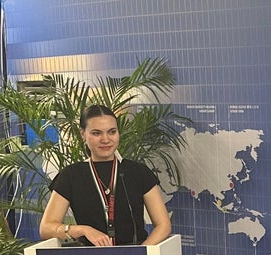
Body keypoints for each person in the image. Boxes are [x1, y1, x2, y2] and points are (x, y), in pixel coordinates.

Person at [39, 105, 172, 246]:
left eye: (112, 132)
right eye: (96, 133)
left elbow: (163, 225)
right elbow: (46, 228)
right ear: (83, 134)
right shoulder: (71, 175)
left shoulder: (138, 172)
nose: (105, 139)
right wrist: (82, 230)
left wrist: (141, 253)